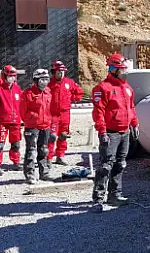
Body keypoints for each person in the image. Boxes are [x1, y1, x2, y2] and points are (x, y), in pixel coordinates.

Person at [90, 54, 140, 213]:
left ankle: (114, 194)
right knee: (106, 165)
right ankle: (98, 198)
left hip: (124, 132)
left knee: (120, 164)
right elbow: (98, 112)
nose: (124, 72)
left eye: (124, 69)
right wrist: (102, 132)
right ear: (113, 69)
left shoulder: (127, 88)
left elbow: (131, 108)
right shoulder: (102, 88)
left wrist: (134, 124)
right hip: (110, 133)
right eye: (121, 69)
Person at [20, 68, 54, 184]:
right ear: (36, 80)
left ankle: (44, 173)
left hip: (45, 125)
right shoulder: (28, 93)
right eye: (41, 80)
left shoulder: (48, 92)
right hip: (32, 126)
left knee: (44, 150)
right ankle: (30, 174)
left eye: (46, 80)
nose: (44, 82)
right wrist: (31, 119)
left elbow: (51, 109)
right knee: (31, 150)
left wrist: (50, 121)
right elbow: (22, 111)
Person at [47, 60, 84, 166]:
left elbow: (79, 92)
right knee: (52, 136)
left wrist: (71, 98)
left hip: (65, 114)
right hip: (52, 114)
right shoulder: (49, 83)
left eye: (63, 71)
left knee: (63, 135)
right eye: (59, 71)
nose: (61, 73)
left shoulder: (69, 82)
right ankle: (48, 157)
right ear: (54, 72)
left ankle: (60, 156)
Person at [0, 65, 23, 176]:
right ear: (5, 76)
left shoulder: (18, 89)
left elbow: (22, 105)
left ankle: (16, 162)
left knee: (16, 144)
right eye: (10, 76)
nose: (12, 78)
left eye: (14, 76)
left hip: (16, 121)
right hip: (3, 121)